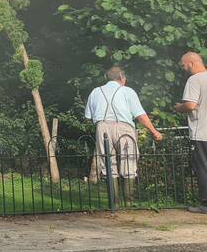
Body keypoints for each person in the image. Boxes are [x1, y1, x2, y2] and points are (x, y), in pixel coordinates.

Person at [85, 66, 163, 202]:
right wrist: (154, 131)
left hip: (102, 127)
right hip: (124, 127)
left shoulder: (95, 92)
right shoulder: (127, 91)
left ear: (106, 78)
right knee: (129, 161)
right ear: (122, 78)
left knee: (108, 164)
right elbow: (140, 114)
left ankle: (114, 203)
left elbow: (88, 116)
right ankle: (129, 201)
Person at [174, 51, 207, 214]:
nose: (183, 68)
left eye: (183, 64)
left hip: (202, 133)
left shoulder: (194, 80)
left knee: (203, 168)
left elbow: (190, 106)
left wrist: (178, 107)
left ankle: (205, 204)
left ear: (191, 63)